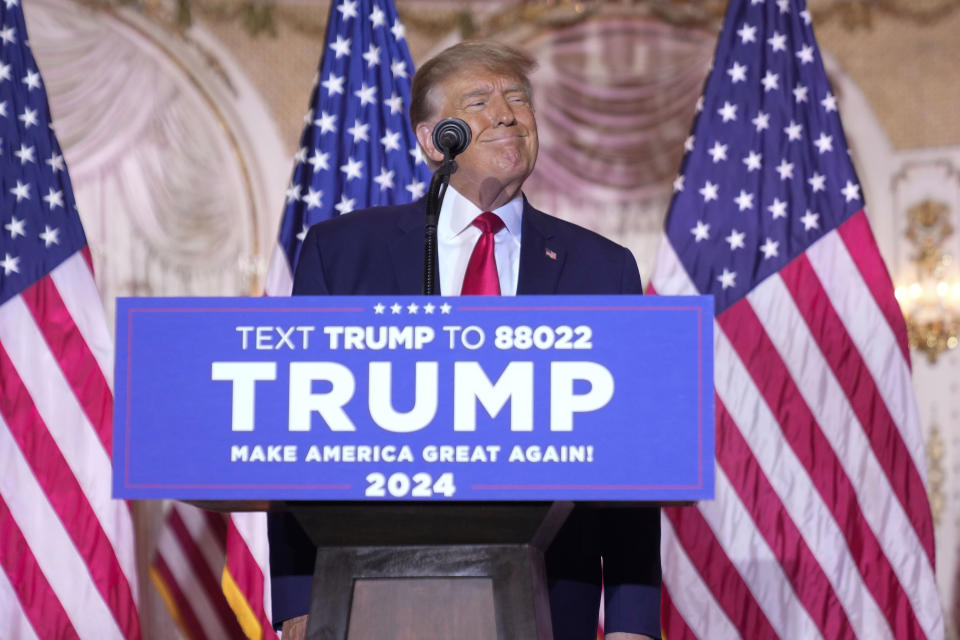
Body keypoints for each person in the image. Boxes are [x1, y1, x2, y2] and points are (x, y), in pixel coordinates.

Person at [273, 40, 661, 640]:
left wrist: (633, 621)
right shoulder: (344, 253)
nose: (507, 113)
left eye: (518, 99)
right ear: (433, 141)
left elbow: (632, 458)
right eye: (479, 101)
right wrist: (299, 602)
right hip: (369, 598)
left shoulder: (600, 268)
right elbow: (297, 438)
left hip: (554, 600)